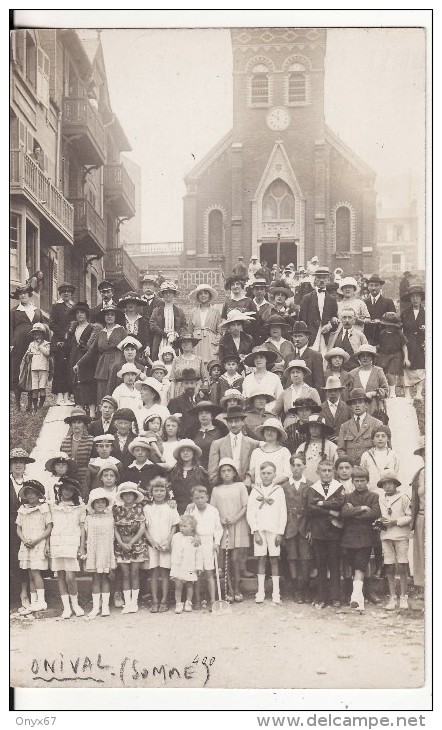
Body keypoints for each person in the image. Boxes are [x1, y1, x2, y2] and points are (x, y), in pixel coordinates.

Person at [306, 460, 346, 608]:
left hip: (334, 531)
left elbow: (340, 503)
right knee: (321, 564)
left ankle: (335, 596)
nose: (327, 473)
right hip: (318, 532)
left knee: (335, 564)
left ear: (333, 472)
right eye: (324, 470)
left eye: (329, 470)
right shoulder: (313, 489)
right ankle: (321, 596)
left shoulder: (338, 487)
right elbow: (310, 508)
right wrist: (329, 510)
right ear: (318, 472)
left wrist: (321, 503)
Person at [247, 461, 287, 604]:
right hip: (260, 530)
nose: (266, 476)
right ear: (260, 475)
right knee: (261, 559)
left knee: (274, 559)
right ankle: (261, 591)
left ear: (274, 475)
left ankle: (276, 593)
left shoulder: (278, 490)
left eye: (269, 473)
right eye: (263, 473)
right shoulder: (255, 491)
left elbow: (283, 512)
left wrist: (280, 532)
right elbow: (250, 512)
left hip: (274, 530)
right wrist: (255, 531)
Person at [341, 466, 381, 612]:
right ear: (352, 482)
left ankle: (355, 597)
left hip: (365, 537)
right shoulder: (347, 497)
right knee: (353, 566)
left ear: (367, 481)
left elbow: (375, 513)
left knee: (360, 566)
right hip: (349, 537)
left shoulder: (374, 497)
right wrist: (363, 508)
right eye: (356, 481)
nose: (359, 483)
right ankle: (358, 598)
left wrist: (354, 512)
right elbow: (344, 513)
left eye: (362, 480)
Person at [210, 458, 250, 601]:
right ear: (220, 474)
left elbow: (245, 506)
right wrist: (221, 520)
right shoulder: (216, 490)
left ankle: (237, 588)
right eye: (223, 471)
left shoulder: (240, 486)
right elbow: (213, 509)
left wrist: (234, 518)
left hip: (238, 525)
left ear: (234, 473)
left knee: (235, 558)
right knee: (226, 558)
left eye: (229, 470)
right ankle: (228, 590)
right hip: (223, 527)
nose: (226, 473)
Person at [75, 304, 127, 405]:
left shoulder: (121, 330)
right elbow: (91, 351)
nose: (109, 317)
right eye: (107, 314)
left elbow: (129, 346)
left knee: (117, 389)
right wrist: (79, 364)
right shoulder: (101, 332)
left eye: (112, 314)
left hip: (118, 362)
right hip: (103, 365)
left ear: (115, 317)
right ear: (104, 317)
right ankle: (102, 416)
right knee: (103, 390)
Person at [50, 476, 86, 619]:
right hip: (57, 541)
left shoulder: (79, 507)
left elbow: (82, 528)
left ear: (74, 492)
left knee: (70, 577)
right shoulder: (53, 505)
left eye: (71, 490)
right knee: (60, 574)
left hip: (72, 541)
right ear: (61, 490)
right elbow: (50, 525)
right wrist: (47, 544)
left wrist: (82, 546)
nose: (67, 493)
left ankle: (75, 604)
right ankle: (66, 608)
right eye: (65, 489)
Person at [16, 480, 53, 613]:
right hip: (26, 544)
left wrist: (36, 540)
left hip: (38, 543)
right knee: (30, 574)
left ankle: (41, 601)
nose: (30, 495)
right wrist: (24, 539)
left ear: (39, 495)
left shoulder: (44, 509)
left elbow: (48, 528)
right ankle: (33, 602)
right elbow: (18, 529)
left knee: (36, 572)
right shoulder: (22, 509)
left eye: (33, 493)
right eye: (28, 493)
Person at [144, 476, 180, 613]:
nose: (159, 493)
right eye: (156, 490)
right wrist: (152, 542)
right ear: (151, 492)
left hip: (166, 545)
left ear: (166, 492)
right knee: (153, 572)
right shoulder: (147, 508)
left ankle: (164, 600)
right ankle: (155, 601)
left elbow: (174, 526)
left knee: (165, 572)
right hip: (152, 544)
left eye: (161, 490)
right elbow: (145, 528)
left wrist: (168, 541)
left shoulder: (170, 507)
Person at [113, 482, 150, 614]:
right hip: (121, 545)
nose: (128, 497)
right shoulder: (117, 509)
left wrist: (132, 542)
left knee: (134, 573)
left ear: (134, 496)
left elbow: (141, 528)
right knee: (125, 574)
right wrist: (122, 543)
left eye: (130, 495)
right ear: (122, 497)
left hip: (137, 545)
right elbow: (115, 529)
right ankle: (127, 602)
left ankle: (134, 602)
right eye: (125, 495)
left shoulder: (139, 508)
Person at [377, 473, 412, 610]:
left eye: (390, 483)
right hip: (386, 536)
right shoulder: (381, 499)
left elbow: (409, 516)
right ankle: (392, 597)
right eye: (384, 484)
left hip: (401, 535)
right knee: (389, 566)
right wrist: (380, 522)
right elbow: (380, 515)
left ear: (396, 484)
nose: (387, 486)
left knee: (402, 566)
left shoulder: (403, 498)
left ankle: (404, 596)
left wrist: (395, 521)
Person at [81, 487, 116, 619]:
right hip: (93, 551)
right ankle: (96, 607)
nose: (100, 504)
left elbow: (113, 536)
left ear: (106, 504)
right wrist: (83, 549)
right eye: (97, 502)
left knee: (105, 578)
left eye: (103, 501)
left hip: (106, 551)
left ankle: (105, 606)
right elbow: (84, 535)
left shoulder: (110, 518)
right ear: (92, 504)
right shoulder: (89, 518)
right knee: (95, 578)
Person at [282, 453, 313, 603]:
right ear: (290, 467)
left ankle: (306, 587)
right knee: (292, 557)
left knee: (305, 558)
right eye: (293, 465)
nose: (296, 468)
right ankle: (296, 589)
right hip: (289, 526)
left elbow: (313, 510)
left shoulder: (311, 485)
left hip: (305, 526)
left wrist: (311, 528)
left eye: (299, 465)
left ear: (305, 467)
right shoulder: (284, 486)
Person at [185, 486, 223, 609]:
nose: (200, 500)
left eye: (202, 497)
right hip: (195, 542)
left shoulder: (213, 510)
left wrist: (216, 543)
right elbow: (186, 525)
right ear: (192, 499)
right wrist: (194, 534)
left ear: (207, 497)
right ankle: (197, 599)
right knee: (197, 573)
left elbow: (218, 528)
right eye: (196, 498)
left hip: (209, 543)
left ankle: (213, 600)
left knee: (209, 572)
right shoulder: (190, 510)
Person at [10, 284, 44, 411]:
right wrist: (10, 343)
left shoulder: (37, 311)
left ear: (30, 294)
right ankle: (17, 404)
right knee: (18, 372)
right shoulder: (14, 311)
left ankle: (30, 403)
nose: (23, 295)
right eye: (20, 294)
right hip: (18, 346)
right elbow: (9, 328)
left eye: (25, 293)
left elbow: (43, 328)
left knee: (32, 371)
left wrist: (44, 344)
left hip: (34, 346)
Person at [10, 448, 35, 611]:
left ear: (25, 465)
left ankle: (24, 594)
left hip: (26, 526)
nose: (18, 465)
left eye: (21, 462)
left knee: (25, 559)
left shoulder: (30, 483)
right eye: (15, 462)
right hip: (8, 525)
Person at [208, 406, 259, 486]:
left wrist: (249, 479)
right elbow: (212, 472)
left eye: (236, 421)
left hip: (246, 487)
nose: (233, 424)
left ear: (243, 422)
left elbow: (256, 466)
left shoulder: (253, 444)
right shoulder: (217, 444)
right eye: (230, 422)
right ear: (227, 423)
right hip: (224, 487)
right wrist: (220, 486)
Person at [66, 302, 99, 416]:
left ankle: (92, 413)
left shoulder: (92, 328)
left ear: (86, 314)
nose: (79, 315)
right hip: (74, 357)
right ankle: (79, 412)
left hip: (87, 359)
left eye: (82, 312)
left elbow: (93, 347)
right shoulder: (73, 328)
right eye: (77, 313)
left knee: (88, 383)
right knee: (76, 384)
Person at [337, 389, 383, 464]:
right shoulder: (345, 426)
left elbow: (381, 448)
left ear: (366, 405)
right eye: (354, 403)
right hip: (351, 469)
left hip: (370, 466)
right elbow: (340, 450)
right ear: (351, 407)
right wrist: (348, 464)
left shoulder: (376, 424)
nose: (357, 405)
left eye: (360, 402)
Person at [299, 267, 339, 351]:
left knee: (325, 357)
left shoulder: (332, 299)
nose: (321, 280)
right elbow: (302, 319)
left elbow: (335, 319)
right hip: (311, 334)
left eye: (324, 278)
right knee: (310, 356)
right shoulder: (307, 298)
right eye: (319, 277)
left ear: (328, 280)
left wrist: (330, 325)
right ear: (315, 280)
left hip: (326, 334)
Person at [49, 282, 76, 406]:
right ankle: (59, 396)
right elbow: (52, 324)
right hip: (59, 342)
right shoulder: (56, 306)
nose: (66, 293)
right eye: (63, 291)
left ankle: (67, 396)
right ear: (60, 294)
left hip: (71, 342)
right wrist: (63, 335)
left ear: (71, 294)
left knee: (68, 369)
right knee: (59, 369)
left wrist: (70, 336)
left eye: (68, 291)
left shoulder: (74, 307)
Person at [170, 514, 203, 613]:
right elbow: (173, 549)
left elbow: (198, 555)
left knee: (189, 585)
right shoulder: (176, 537)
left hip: (190, 565)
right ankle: (178, 603)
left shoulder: (194, 540)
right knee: (178, 585)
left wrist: (199, 567)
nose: (182, 528)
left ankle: (188, 602)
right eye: (181, 526)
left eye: (185, 526)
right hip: (178, 565)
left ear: (192, 528)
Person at [273, 359, 321, 427]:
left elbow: (318, 412)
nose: (295, 375)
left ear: (303, 374)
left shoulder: (312, 391)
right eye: (293, 372)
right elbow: (275, 412)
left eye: (298, 372)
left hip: (307, 426)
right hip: (288, 426)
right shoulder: (285, 393)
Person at [247, 417, 291, 487]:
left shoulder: (284, 451)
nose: (269, 433)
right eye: (267, 430)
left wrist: (271, 484)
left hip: (277, 489)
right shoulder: (256, 452)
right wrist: (255, 486)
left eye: (273, 430)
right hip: (259, 491)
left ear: (278, 434)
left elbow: (287, 474)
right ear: (263, 432)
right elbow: (252, 475)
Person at [60, 408, 94, 500]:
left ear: (84, 424)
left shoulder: (91, 440)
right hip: (68, 478)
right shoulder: (65, 441)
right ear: (70, 424)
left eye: (79, 422)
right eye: (74, 422)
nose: (76, 425)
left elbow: (92, 461)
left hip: (85, 477)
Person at [168, 439, 209, 514]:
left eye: (188, 450)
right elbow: (168, 489)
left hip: (196, 509)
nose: (185, 453)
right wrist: (170, 499)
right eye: (183, 451)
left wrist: (195, 502)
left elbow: (207, 492)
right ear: (179, 454)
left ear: (193, 453)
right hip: (176, 509)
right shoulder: (173, 472)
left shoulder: (201, 472)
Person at [149, 281, 187, 360]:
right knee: (160, 360)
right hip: (160, 340)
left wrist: (176, 334)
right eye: (165, 292)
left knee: (174, 360)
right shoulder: (157, 310)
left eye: (170, 292)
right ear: (162, 295)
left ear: (174, 294)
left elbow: (184, 325)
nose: (168, 294)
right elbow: (152, 325)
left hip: (175, 340)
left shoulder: (179, 311)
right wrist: (165, 334)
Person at [400, 285, 425, 401]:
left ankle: (419, 393)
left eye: (417, 297)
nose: (415, 299)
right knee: (407, 367)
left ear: (421, 298)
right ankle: (407, 393)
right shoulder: (404, 313)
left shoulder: (427, 313)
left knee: (420, 366)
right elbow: (400, 330)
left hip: (421, 344)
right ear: (410, 299)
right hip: (408, 343)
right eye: (413, 297)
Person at [188, 284, 222, 365]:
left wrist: (217, 340)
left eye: (205, 293)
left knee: (211, 363)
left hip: (210, 340)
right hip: (197, 340)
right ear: (198, 296)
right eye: (201, 293)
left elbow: (219, 330)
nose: (203, 295)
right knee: (197, 362)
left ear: (209, 295)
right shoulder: (193, 311)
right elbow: (190, 330)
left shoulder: (215, 311)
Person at [377, 312, 409, 399]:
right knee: (382, 373)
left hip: (396, 355)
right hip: (384, 355)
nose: (389, 327)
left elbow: (404, 346)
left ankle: (392, 393)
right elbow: (380, 345)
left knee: (391, 373)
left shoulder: (398, 333)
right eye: (387, 325)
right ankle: (384, 391)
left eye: (391, 325)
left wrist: (406, 358)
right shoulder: (382, 333)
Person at [296, 415, 338, 482]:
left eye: (317, 426)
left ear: (322, 428)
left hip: (325, 484)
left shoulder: (331, 446)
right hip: (305, 484)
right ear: (308, 429)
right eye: (311, 427)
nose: (314, 429)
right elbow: (296, 466)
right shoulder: (301, 447)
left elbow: (336, 467)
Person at [350, 345, 389, 416]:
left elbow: (386, 391)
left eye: (368, 356)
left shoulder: (378, 371)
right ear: (359, 358)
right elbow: (348, 393)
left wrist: (373, 393)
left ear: (371, 357)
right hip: (357, 410)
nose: (365, 358)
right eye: (362, 356)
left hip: (375, 408)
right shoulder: (352, 373)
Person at [169, 332, 208, 399]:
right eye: (183, 342)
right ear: (181, 345)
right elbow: (173, 380)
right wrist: (172, 396)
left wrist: (203, 391)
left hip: (195, 390)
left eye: (188, 342)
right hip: (179, 391)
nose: (186, 344)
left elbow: (205, 379)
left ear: (192, 344)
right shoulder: (176, 360)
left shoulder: (199, 359)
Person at [188, 401, 226, 470]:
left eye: (207, 413)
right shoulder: (192, 433)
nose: (204, 415)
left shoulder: (220, 432)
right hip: (196, 470)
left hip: (215, 469)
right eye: (201, 413)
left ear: (212, 416)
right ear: (198, 417)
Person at [360, 425, 400, 491]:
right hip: (372, 491)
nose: (380, 439)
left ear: (388, 439)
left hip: (389, 491)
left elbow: (397, 473)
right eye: (377, 436)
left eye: (383, 436)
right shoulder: (366, 455)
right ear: (373, 439)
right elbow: (363, 475)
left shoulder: (394, 454)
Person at [291, 321, 325, 396]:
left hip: (308, 398)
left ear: (307, 337)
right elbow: (287, 381)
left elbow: (319, 382)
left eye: (300, 336)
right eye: (295, 336)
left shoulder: (315, 356)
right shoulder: (289, 357)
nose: (297, 339)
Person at [23, 323, 50, 412]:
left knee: (42, 387)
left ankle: (41, 406)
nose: (36, 336)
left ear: (42, 334)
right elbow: (26, 356)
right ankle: (35, 408)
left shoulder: (46, 344)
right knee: (35, 388)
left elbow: (47, 353)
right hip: (34, 368)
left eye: (38, 334)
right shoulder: (31, 344)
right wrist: (29, 355)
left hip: (43, 368)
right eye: (35, 334)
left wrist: (40, 346)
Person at [364, 274, 396, 346]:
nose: (373, 288)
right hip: (367, 337)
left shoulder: (388, 302)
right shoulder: (364, 302)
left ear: (381, 286)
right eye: (371, 285)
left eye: (376, 285)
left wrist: (381, 321)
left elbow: (394, 320)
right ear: (368, 287)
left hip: (383, 337)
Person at [117, 291, 151, 357]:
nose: (130, 305)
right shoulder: (120, 320)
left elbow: (147, 337)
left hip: (139, 353)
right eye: (128, 303)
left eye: (133, 303)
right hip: (123, 352)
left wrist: (148, 347)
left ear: (137, 304)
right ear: (125, 305)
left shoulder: (143, 320)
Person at [410, 437, 425, 592]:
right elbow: (416, 496)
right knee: (422, 550)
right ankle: (424, 586)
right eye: (425, 453)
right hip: (422, 515)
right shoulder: (419, 474)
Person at [320, 375, 351, 443]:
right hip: (325, 445)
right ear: (326, 392)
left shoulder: (347, 408)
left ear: (340, 391)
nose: (333, 393)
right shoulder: (320, 408)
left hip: (343, 446)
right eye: (330, 391)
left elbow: (352, 429)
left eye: (335, 390)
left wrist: (341, 438)